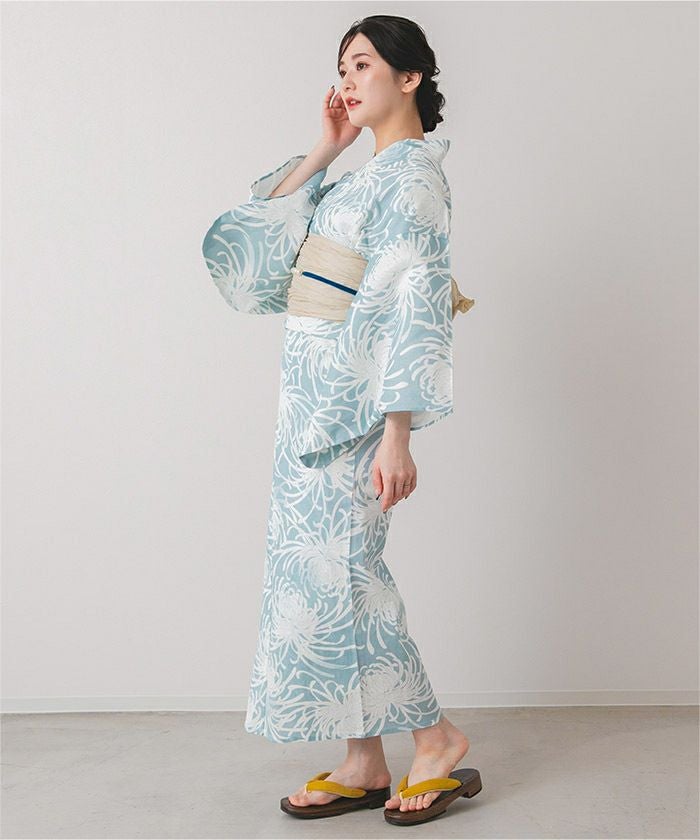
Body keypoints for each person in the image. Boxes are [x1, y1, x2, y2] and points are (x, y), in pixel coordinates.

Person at [202, 14, 480, 827]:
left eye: (364, 64)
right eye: (342, 67)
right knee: (318, 582)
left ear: (410, 76)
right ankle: (364, 759)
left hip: (355, 411)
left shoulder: (413, 179)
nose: (348, 80)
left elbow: (414, 302)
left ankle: (436, 739)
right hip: (310, 400)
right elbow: (259, 250)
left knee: (351, 578)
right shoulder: (358, 177)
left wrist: (398, 431)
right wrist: (324, 148)